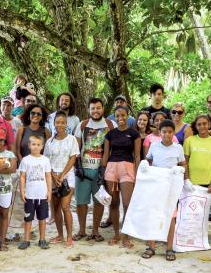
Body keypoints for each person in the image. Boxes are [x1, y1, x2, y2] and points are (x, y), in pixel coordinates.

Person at [143, 119, 187, 261]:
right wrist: (145, 165)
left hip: (171, 188)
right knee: (153, 215)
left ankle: (169, 248)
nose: (167, 134)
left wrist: (183, 175)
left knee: (171, 217)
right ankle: (151, 246)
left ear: (173, 133)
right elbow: (148, 161)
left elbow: (183, 165)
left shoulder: (178, 148)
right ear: (159, 132)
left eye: (170, 132)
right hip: (155, 186)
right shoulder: (154, 146)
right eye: (164, 132)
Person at [73, 98, 116, 242]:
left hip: (101, 170)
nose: (95, 111)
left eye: (98, 108)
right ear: (88, 109)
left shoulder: (110, 124)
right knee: (81, 201)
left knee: (99, 201)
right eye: (93, 108)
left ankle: (96, 230)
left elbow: (115, 147)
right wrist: (77, 165)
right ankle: (82, 230)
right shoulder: (82, 125)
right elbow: (76, 147)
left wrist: (105, 169)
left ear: (103, 108)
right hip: (84, 170)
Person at [102, 106, 141, 249]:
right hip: (111, 168)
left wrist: (137, 174)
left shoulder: (134, 133)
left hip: (127, 168)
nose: (120, 118)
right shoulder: (110, 134)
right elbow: (106, 155)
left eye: (123, 115)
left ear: (127, 115)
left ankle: (126, 236)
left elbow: (137, 156)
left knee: (127, 204)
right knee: (113, 203)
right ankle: (116, 234)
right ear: (114, 117)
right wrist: (102, 173)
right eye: (117, 116)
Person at [44, 111, 79, 248]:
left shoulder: (72, 139)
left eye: (62, 122)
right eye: (57, 122)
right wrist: (53, 175)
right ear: (54, 124)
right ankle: (60, 235)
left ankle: (70, 237)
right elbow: (46, 160)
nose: (60, 125)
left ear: (66, 124)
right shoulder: (49, 142)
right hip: (52, 177)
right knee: (56, 208)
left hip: (67, 176)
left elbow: (73, 158)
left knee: (65, 206)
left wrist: (62, 174)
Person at [18, 135, 52, 250]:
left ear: (42, 146)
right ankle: (26, 240)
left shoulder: (45, 160)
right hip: (30, 195)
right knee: (28, 218)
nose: (36, 147)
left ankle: (42, 239)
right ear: (29, 145)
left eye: (38, 144)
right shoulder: (25, 160)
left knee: (42, 218)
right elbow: (22, 176)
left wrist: (49, 191)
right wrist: (22, 191)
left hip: (42, 195)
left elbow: (48, 176)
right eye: (33, 144)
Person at [184, 115, 211, 193]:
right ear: (196, 126)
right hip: (191, 183)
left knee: (206, 205)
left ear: (209, 124)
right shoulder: (189, 140)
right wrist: (187, 180)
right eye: (199, 124)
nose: (202, 126)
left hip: (208, 183)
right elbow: (185, 162)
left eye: (204, 124)